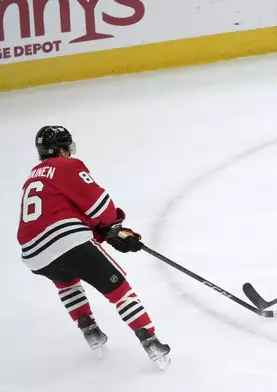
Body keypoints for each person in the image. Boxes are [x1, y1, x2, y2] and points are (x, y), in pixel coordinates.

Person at [16, 126, 171, 369]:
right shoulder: (66, 166)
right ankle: (151, 342)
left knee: (66, 281)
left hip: (33, 253)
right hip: (66, 239)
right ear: (62, 148)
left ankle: (91, 333)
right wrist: (114, 227)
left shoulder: (33, 177)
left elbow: (61, 214)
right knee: (119, 290)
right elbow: (100, 209)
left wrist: (103, 233)